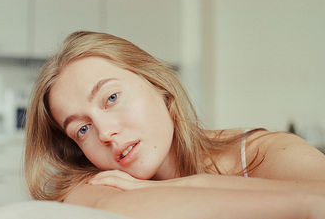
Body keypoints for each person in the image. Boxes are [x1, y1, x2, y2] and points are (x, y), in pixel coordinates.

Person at [25, 31, 325, 219]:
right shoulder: (94, 183)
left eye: (112, 97)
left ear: (159, 86)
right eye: (82, 129)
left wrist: (196, 183)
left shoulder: (263, 150)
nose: (104, 133)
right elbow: (114, 212)